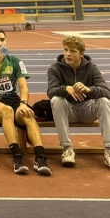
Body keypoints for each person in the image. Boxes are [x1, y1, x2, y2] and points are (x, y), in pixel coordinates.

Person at [0, 29, 51, 176]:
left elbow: (23, 87)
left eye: (2, 39)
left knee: (29, 114)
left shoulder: (16, 61)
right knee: (7, 111)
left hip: (13, 99)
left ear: (6, 41)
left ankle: (41, 158)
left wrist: (23, 103)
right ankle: (17, 157)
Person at [47, 35, 110, 168]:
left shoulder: (91, 68)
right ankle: (67, 148)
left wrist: (89, 89)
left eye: (72, 51)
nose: (68, 54)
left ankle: (109, 149)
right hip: (68, 111)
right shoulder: (55, 68)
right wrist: (65, 88)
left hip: (87, 110)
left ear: (81, 54)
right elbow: (50, 91)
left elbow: (106, 91)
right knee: (56, 100)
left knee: (104, 100)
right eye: (65, 50)